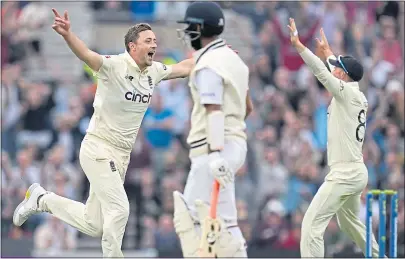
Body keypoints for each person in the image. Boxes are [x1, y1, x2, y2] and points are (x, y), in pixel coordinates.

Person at [12, 8, 197, 258]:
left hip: (121, 156)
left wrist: (213, 54)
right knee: (119, 210)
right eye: (148, 40)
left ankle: (42, 199)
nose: (154, 44)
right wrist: (67, 34)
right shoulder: (114, 65)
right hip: (98, 148)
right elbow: (87, 55)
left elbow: (185, 67)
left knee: (94, 223)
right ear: (132, 46)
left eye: (155, 40)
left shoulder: (154, 71)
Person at [287, 18, 382, 257]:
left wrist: (300, 46)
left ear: (343, 75)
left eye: (338, 67)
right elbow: (333, 69)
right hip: (356, 172)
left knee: (310, 225)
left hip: (345, 174)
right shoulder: (354, 92)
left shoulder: (345, 93)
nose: (334, 68)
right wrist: (328, 52)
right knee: (350, 223)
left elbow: (322, 72)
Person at [172, 1, 253, 258]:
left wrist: (216, 153)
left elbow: (214, 110)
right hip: (234, 143)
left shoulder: (209, 64)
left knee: (189, 218)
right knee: (226, 222)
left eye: (189, 28)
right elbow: (247, 107)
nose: (186, 33)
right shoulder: (233, 59)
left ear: (198, 28)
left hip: (212, 150)